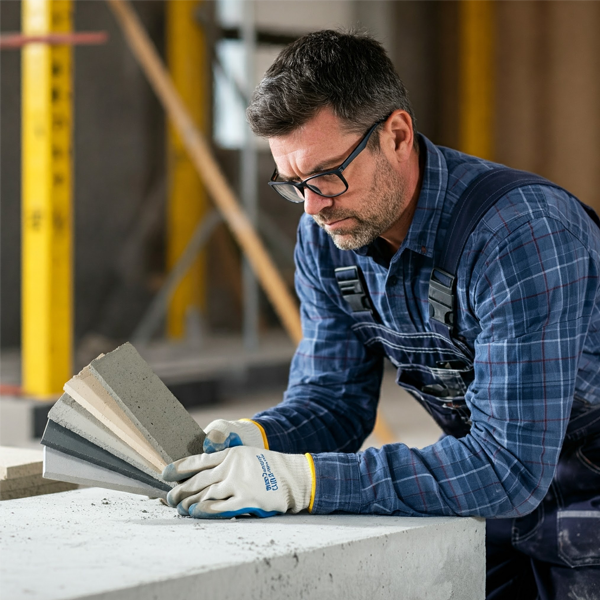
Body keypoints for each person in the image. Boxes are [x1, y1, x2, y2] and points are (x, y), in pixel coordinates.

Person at [161, 30, 600, 598]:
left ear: (396, 135)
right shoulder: (328, 238)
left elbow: (507, 468)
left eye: (326, 175)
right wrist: (258, 438)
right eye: (293, 185)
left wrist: (307, 481)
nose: (314, 206)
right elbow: (334, 403)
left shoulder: (519, 234)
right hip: (497, 502)